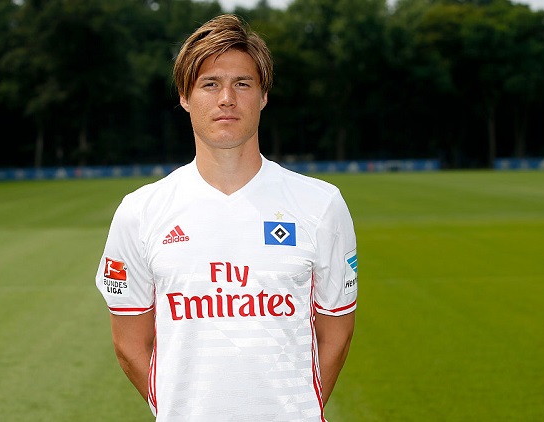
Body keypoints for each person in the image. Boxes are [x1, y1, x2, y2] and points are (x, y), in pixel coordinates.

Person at [95, 14, 357, 421]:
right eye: (210, 84)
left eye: (243, 84)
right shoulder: (140, 212)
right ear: (185, 96)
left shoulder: (321, 204)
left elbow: (337, 334)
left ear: (263, 95)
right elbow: (130, 344)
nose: (227, 99)